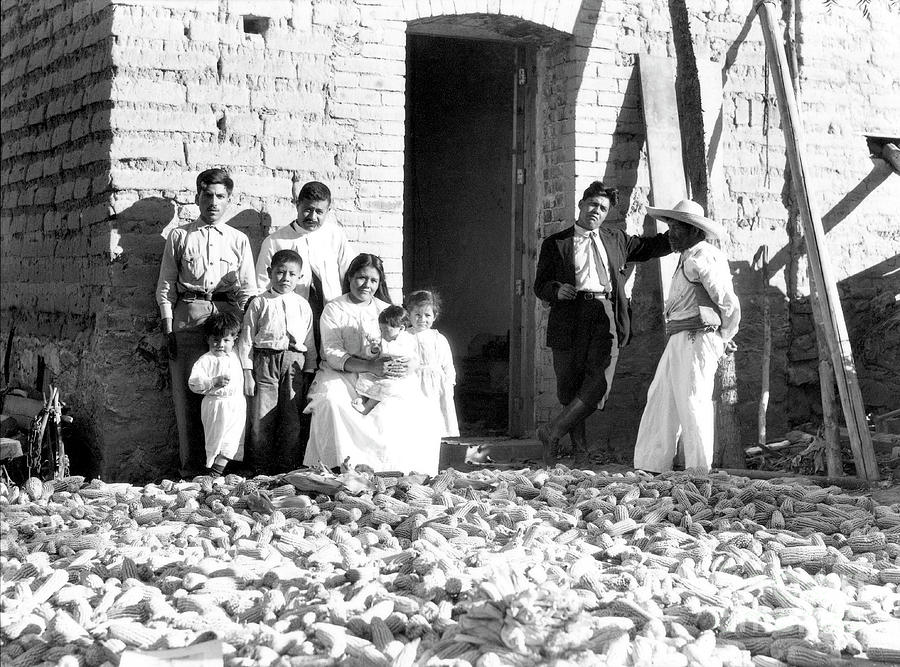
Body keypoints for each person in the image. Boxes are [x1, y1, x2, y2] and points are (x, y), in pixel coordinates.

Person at [533, 180, 673, 466]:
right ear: (582, 205)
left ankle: (552, 430)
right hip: (568, 317)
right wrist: (556, 290)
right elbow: (540, 285)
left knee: (598, 383)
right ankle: (580, 453)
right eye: (593, 205)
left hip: (604, 314)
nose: (597, 211)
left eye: (603, 208)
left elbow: (650, 247)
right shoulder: (556, 243)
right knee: (569, 387)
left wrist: (680, 233)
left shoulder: (615, 238)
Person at [303, 254, 442, 474]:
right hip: (342, 372)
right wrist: (369, 366)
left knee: (417, 406)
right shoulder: (334, 309)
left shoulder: (387, 310)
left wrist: (409, 366)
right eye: (361, 278)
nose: (367, 285)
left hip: (381, 375)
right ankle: (338, 467)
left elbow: (408, 343)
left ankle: (394, 469)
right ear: (349, 277)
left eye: (373, 281)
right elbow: (332, 353)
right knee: (332, 402)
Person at [156, 168, 255, 477]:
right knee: (189, 396)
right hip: (189, 315)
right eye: (208, 195)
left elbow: (249, 290)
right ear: (198, 197)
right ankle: (192, 470)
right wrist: (168, 327)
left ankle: (223, 469)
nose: (213, 202)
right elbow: (165, 287)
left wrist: (243, 329)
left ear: (229, 200)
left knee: (231, 397)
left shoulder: (238, 239)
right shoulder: (180, 235)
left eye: (220, 196)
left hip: (226, 317)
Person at [633, 199, 741, 473]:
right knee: (662, 395)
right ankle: (653, 465)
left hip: (698, 337)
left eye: (676, 227)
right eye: (669, 226)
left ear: (694, 231)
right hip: (679, 337)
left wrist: (724, 337)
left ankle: (698, 470)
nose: (670, 233)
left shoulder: (705, 256)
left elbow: (728, 303)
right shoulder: (687, 257)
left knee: (694, 401)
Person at [239, 249, 316, 472]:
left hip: (294, 363)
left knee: (291, 418)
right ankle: (260, 467)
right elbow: (246, 339)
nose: (286, 279)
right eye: (280, 273)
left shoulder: (302, 305)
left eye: (292, 274)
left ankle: (286, 467)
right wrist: (247, 371)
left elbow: (309, 339)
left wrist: (309, 369)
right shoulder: (259, 303)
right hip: (266, 361)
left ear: (300, 277)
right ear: (270, 273)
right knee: (262, 416)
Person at [255, 180, 353, 322]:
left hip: (332, 314)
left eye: (319, 212)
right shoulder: (275, 241)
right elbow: (262, 284)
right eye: (308, 209)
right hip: (290, 316)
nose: (312, 217)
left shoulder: (335, 235)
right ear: (297, 205)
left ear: (328, 211)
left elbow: (349, 274)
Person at [188, 311, 246, 477]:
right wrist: (213, 382)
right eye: (216, 340)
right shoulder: (206, 360)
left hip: (236, 404)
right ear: (208, 339)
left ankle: (216, 472)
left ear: (234, 340)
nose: (220, 344)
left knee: (233, 439)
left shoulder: (235, 354)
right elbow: (193, 383)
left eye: (226, 340)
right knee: (215, 439)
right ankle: (211, 472)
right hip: (216, 404)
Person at [405, 290, 459, 437]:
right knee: (415, 421)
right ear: (409, 315)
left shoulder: (438, 339)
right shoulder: (404, 337)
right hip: (413, 384)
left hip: (435, 387)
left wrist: (449, 386)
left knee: (434, 421)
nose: (422, 319)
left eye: (427, 315)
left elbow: (448, 365)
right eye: (417, 314)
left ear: (434, 317)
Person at [352, 305, 419, 415]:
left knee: (387, 387)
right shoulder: (382, 339)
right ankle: (363, 398)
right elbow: (371, 355)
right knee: (365, 378)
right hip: (382, 371)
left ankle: (367, 407)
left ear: (401, 328)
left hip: (397, 376)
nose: (383, 333)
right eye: (381, 330)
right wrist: (374, 349)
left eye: (386, 330)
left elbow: (411, 356)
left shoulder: (407, 340)